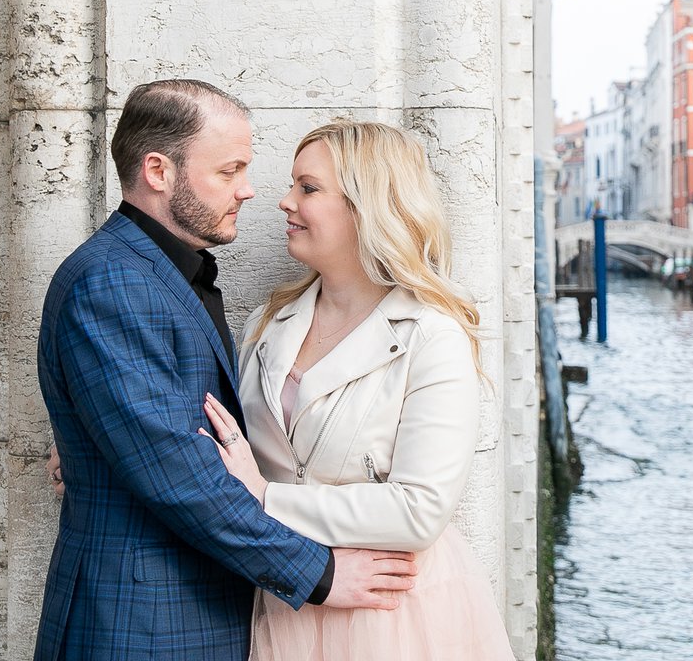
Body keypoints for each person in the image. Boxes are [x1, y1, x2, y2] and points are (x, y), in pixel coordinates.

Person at [35, 80, 416, 661]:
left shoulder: (169, 274)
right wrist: (318, 574)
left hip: (193, 611)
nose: (249, 190)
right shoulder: (112, 282)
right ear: (159, 172)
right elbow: (177, 473)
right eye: (229, 171)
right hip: (140, 623)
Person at [200, 119, 514, 659]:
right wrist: (96, 444)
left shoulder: (431, 336)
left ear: (365, 205)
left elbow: (419, 511)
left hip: (392, 613)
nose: (283, 201)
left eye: (308, 187)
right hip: (285, 598)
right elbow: (204, 423)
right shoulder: (265, 323)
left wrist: (268, 499)